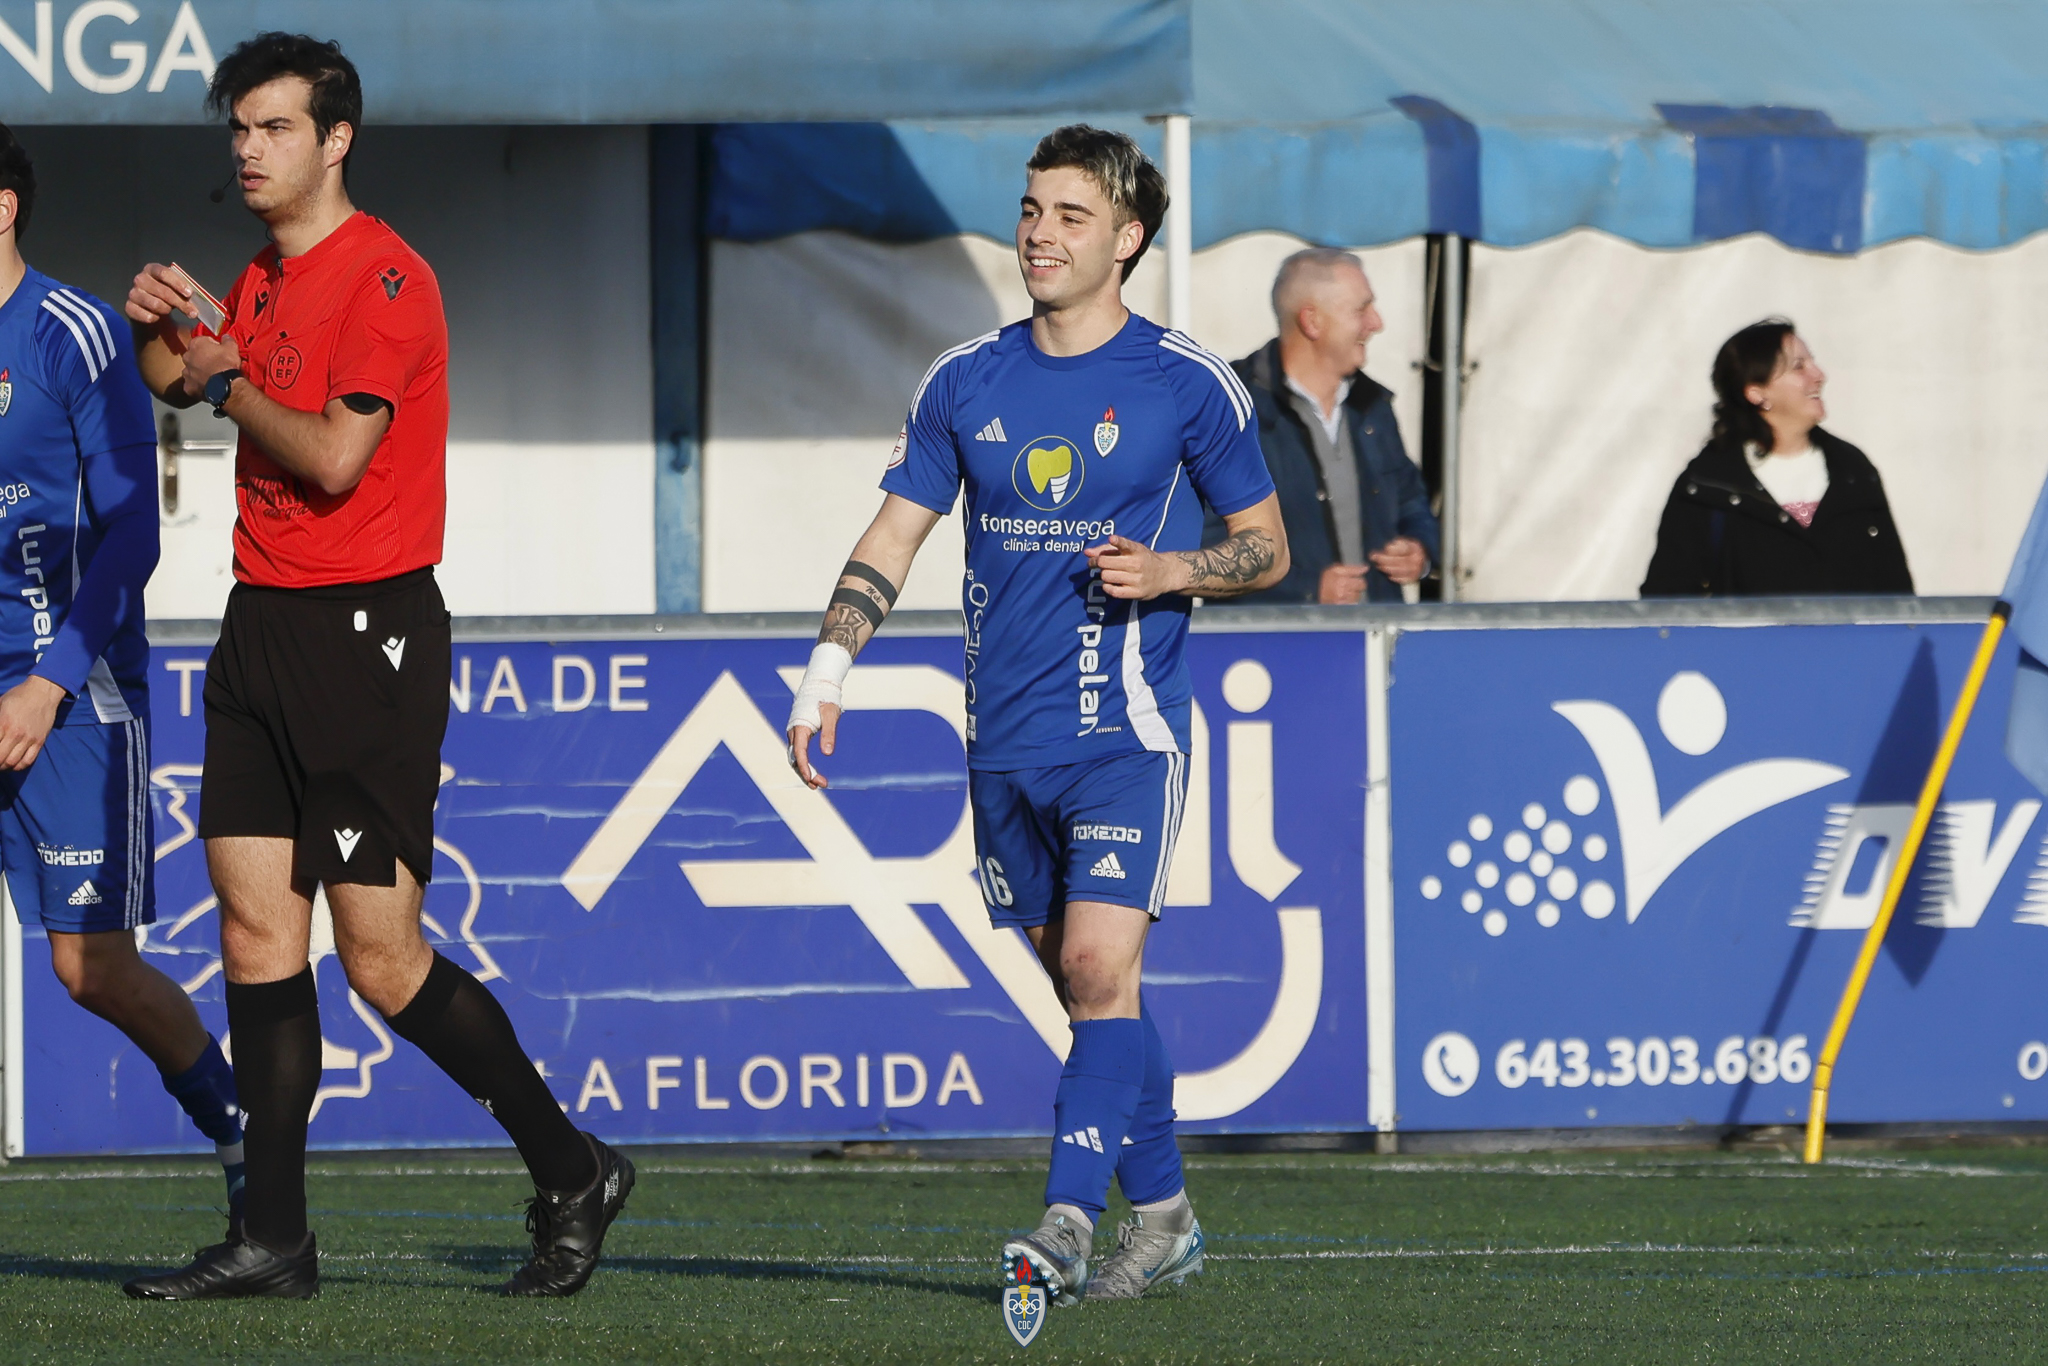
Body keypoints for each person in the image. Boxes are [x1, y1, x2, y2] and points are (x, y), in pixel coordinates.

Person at [118, 34, 630, 1301]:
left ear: (335, 139)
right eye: (238, 128)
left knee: (380, 959)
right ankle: (275, 1236)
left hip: (367, 638)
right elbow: (182, 381)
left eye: (274, 128)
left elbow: (334, 460)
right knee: (253, 932)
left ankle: (571, 1167)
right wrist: (163, 332)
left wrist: (223, 381)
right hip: (259, 628)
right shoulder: (260, 276)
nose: (248, 150)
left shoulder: (387, 278)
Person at [785, 125, 1288, 1304]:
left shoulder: (1184, 380)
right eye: (1028, 209)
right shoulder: (963, 379)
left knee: (1096, 962)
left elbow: (1265, 545)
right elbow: (893, 536)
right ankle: (1164, 1216)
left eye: (1069, 215)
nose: (1038, 233)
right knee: (1088, 990)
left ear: (1128, 239)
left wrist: (1173, 571)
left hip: (1126, 734)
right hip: (1001, 745)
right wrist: (825, 670)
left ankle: (1065, 1220)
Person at [0, 123, 247, 1240]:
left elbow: (132, 535)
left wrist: (47, 682)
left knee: (91, 969)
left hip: (70, 691)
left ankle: (241, 1137)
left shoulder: (75, 332)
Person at [1214, 247, 1437, 605]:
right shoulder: (1230, 407)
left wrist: (1420, 549)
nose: (1376, 323)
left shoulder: (1371, 406)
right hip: (1274, 638)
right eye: (1361, 309)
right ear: (1312, 321)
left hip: (1376, 633)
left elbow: (1412, 499)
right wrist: (1306, 590)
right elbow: (1208, 542)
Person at [1642, 319, 1912, 596]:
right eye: (1798, 366)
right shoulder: (1707, 486)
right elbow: (1666, 603)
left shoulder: (1853, 470)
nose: (1819, 375)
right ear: (1756, 393)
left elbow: (1898, 596)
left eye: (1812, 362)